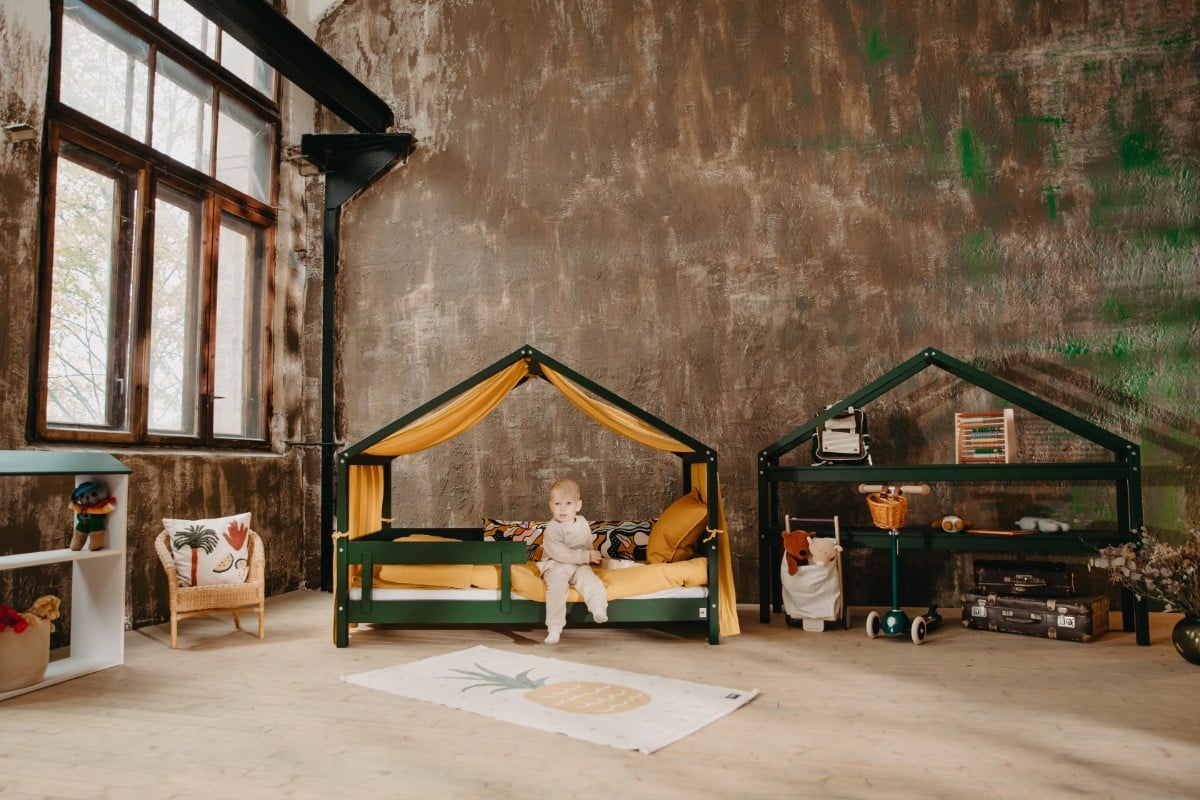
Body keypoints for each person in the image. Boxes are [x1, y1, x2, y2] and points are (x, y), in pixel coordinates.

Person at [538, 478, 608, 644]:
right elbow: (559, 553)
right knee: (556, 588)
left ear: (578, 505)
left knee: (591, 581)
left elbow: (587, 542)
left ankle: (598, 608)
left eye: (568, 503)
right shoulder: (552, 527)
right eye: (557, 504)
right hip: (555, 564)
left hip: (578, 565)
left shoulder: (582, 522)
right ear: (551, 506)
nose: (562, 508)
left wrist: (592, 556)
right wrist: (586, 556)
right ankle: (554, 628)